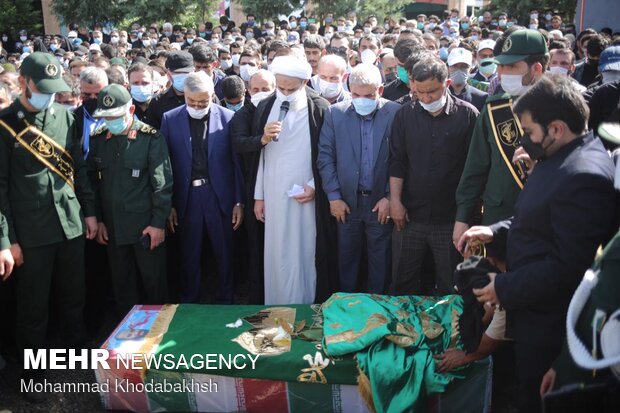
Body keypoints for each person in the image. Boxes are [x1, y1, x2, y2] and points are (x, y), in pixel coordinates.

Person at [458, 76, 617, 413]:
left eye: (530, 132)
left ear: (556, 128)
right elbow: (535, 220)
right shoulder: (563, 156)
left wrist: (503, 285)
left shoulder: (583, 175)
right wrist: (494, 232)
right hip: (533, 314)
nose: (527, 139)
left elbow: (569, 267)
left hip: (552, 329)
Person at [0, 52, 97, 401]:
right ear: (24, 83)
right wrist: (5, 240)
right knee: (33, 307)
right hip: (30, 232)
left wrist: (89, 213)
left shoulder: (66, 119)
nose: (50, 96)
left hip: (69, 223)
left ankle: (75, 355)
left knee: (74, 295)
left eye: (56, 90)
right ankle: (32, 373)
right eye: (44, 89)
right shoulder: (5, 123)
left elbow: (79, 170)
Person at [389, 56, 478, 295]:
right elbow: (397, 161)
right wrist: (395, 201)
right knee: (402, 281)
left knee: (452, 285)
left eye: (433, 91)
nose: (427, 98)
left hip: (450, 220)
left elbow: (474, 170)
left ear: (446, 83)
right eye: (421, 92)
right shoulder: (404, 115)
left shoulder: (468, 116)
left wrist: (464, 217)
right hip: (410, 216)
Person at [253, 55, 337, 304]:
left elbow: (328, 153)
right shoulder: (266, 106)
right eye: (281, 88)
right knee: (276, 253)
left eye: (292, 88)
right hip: (272, 192)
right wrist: (259, 196)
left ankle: (305, 305)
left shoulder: (319, 107)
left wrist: (313, 186)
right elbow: (260, 157)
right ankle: (276, 305)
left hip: (306, 196)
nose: (286, 93)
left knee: (304, 252)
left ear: (304, 83)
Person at [454, 29, 549, 248]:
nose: (502, 73)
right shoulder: (495, 108)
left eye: (512, 67)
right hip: (497, 217)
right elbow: (475, 167)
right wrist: (462, 217)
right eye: (501, 66)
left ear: (536, 69)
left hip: (546, 218)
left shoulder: (563, 109)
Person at [89, 84, 172, 316]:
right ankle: (127, 336)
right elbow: (94, 185)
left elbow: (162, 185)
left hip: (145, 228)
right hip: (113, 228)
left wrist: (157, 224)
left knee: (154, 284)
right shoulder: (99, 140)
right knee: (122, 286)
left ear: (132, 110)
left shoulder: (150, 138)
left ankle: (160, 332)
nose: (111, 122)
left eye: (116, 116)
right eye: (107, 118)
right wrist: (100, 219)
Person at [162, 71, 244, 304]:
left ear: (212, 95)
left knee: (224, 253)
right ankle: (190, 302)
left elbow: (236, 165)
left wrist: (239, 201)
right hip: (187, 198)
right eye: (192, 102)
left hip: (220, 197)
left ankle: (226, 300)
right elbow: (164, 165)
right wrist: (168, 204)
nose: (197, 106)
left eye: (203, 101)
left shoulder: (228, 118)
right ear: (184, 95)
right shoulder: (170, 119)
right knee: (189, 254)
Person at [317, 63, 399, 293]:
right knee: (347, 261)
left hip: (379, 203)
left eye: (368, 95)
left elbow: (401, 159)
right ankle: (347, 312)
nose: (362, 100)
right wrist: (333, 197)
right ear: (349, 90)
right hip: (346, 202)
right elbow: (325, 156)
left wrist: (389, 196)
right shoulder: (336, 113)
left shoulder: (395, 112)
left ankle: (378, 313)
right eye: (356, 95)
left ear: (380, 91)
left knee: (380, 262)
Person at [230, 69, 276, 304]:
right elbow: (238, 143)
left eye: (266, 89)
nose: (260, 94)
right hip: (251, 189)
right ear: (248, 91)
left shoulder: (279, 110)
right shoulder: (242, 116)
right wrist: (262, 140)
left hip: (278, 188)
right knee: (256, 245)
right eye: (256, 89)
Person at [146, 51, 194, 128]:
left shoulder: (203, 98)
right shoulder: (157, 102)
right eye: (177, 73)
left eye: (186, 73)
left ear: (193, 73)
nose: (182, 76)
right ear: (168, 74)